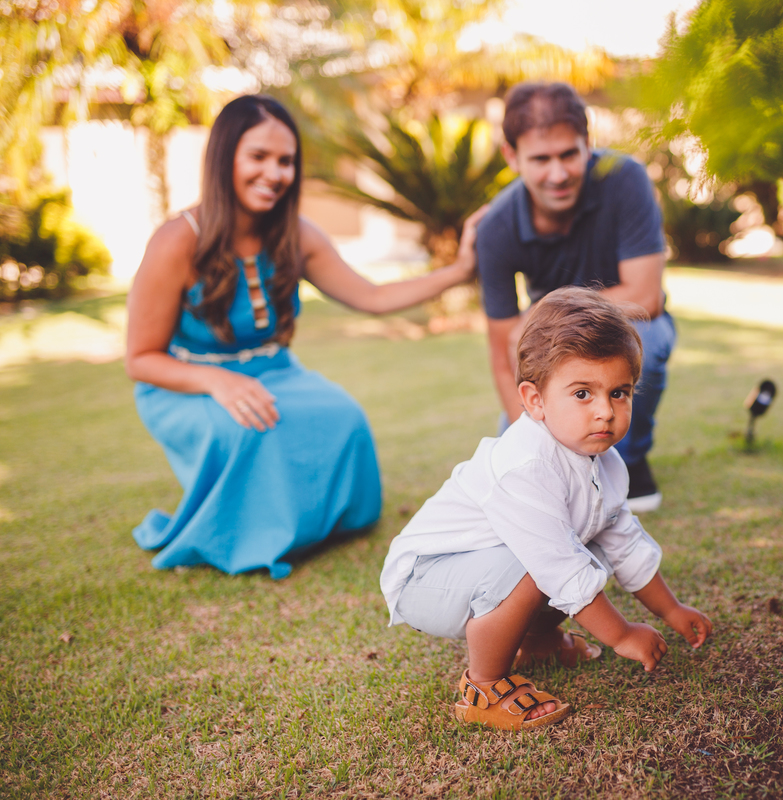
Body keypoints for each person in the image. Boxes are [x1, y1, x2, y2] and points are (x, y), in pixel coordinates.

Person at [125, 94, 484, 579]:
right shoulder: (176, 240)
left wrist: (460, 270)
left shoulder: (297, 234)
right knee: (250, 431)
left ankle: (318, 526)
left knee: (344, 418)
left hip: (274, 369)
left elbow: (373, 297)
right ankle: (250, 534)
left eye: (286, 161)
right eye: (258, 157)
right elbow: (140, 359)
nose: (274, 173)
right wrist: (216, 381)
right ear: (223, 156)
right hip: (183, 383)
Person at [379, 287, 712, 730]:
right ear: (535, 400)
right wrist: (622, 634)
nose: (604, 412)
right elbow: (557, 567)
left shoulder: (605, 463)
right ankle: (482, 684)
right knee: (548, 565)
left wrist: (670, 609)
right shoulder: (526, 464)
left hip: (491, 568)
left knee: (591, 551)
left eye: (619, 393)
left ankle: (536, 640)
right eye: (581, 394)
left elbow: (626, 543)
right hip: (427, 579)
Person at [474, 81, 674, 513]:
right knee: (519, 435)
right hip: (552, 346)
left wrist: (547, 315)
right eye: (541, 159)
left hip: (625, 323)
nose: (558, 173)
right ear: (512, 157)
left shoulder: (624, 179)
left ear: (589, 143)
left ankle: (628, 459)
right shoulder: (495, 227)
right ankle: (564, 469)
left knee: (651, 342)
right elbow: (503, 348)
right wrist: (524, 433)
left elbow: (646, 296)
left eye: (568, 154)